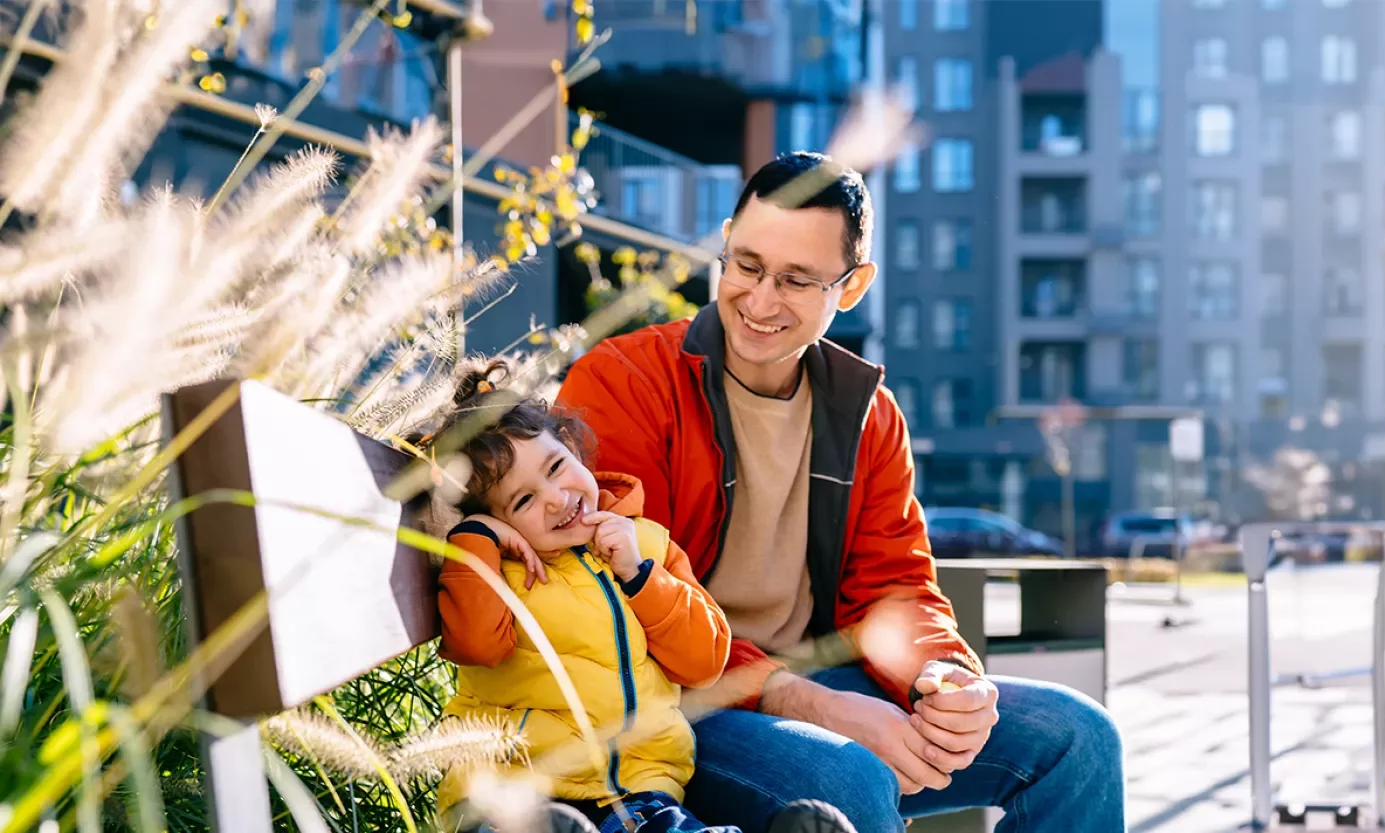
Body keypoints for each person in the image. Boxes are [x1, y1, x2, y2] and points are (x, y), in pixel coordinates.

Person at [556, 151, 1126, 833]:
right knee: (847, 775)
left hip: (821, 688)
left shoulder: (869, 414)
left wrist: (940, 677)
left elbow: (896, 585)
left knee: (1079, 739)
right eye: (745, 264)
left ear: (852, 288)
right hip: (674, 701)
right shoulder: (624, 383)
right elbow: (619, 603)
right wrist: (815, 706)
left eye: (796, 279)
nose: (759, 301)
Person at [427, 358, 859, 833]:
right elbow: (476, 645)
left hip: (634, 790)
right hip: (513, 790)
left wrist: (638, 575)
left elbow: (704, 661)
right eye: (522, 501)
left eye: (556, 467)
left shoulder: (647, 545)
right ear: (497, 520)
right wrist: (476, 538)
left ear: (574, 449)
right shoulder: (494, 573)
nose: (555, 498)